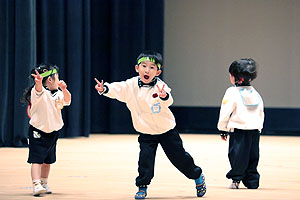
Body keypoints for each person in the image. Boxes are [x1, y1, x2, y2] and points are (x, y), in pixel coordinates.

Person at [94, 51, 206, 199]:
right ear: (137, 68)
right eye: (144, 66)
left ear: (158, 72)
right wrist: (105, 89)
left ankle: (197, 175)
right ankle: (142, 186)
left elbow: (169, 100)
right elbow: (117, 89)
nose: (147, 70)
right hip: (146, 132)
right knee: (145, 160)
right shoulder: (131, 85)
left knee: (179, 157)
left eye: (152, 67)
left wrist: (163, 96)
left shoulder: (160, 86)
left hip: (166, 130)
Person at [22, 64, 71, 196]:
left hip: (53, 133)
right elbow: (38, 89)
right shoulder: (38, 93)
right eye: (57, 77)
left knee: (47, 161)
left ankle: (44, 182)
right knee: (36, 160)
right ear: (50, 80)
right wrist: (38, 83)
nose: (59, 79)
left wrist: (65, 90)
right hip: (37, 132)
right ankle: (36, 184)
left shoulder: (58, 93)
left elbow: (67, 101)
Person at [217, 58, 264, 189]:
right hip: (255, 130)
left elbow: (225, 111)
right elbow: (261, 112)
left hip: (238, 130)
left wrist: (222, 128)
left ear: (235, 76)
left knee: (237, 155)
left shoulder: (231, 92)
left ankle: (236, 179)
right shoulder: (255, 92)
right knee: (253, 155)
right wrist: (259, 127)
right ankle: (252, 181)